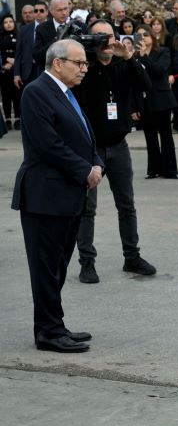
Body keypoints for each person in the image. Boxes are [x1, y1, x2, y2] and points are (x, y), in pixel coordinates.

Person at [13, 39, 104, 352]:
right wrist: (85, 170)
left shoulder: (65, 93)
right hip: (45, 195)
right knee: (46, 268)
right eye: (78, 63)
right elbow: (48, 144)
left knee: (58, 266)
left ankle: (54, 325)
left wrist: (97, 163)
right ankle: (49, 332)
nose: (84, 69)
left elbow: (83, 135)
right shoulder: (36, 92)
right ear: (57, 63)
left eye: (85, 64)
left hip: (67, 194)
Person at [72, 20, 155, 283]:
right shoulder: (83, 67)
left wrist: (129, 57)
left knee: (127, 205)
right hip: (90, 147)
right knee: (87, 208)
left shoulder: (123, 63)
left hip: (119, 144)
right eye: (98, 37)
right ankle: (87, 263)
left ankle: (132, 257)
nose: (105, 42)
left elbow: (146, 85)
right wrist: (87, 58)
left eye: (108, 36)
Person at [134, 26, 178, 179]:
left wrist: (144, 57)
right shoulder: (134, 55)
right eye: (139, 36)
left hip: (162, 100)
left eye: (146, 34)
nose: (143, 38)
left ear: (152, 36)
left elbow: (159, 70)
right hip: (145, 100)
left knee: (166, 136)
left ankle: (170, 170)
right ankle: (153, 169)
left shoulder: (163, 52)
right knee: (150, 137)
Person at [1, 15, 20, 130]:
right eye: (6, 22)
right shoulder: (1, 37)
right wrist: (6, 59)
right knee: (5, 95)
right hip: (4, 71)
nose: (8, 24)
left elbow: (22, 51)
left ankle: (18, 118)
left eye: (10, 21)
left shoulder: (19, 36)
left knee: (17, 95)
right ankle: (7, 119)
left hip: (16, 70)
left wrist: (14, 61)